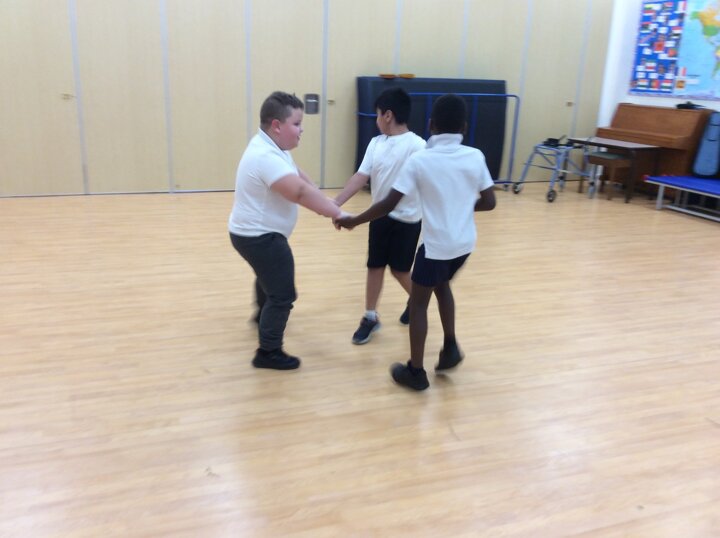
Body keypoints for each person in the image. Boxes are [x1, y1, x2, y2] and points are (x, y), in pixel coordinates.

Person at [335, 94, 497, 390]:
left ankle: (416, 372)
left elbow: (388, 204)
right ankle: (450, 346)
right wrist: (460, 205)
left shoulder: (421, 157)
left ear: (431, 124)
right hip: (464, 246)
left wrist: (354, 220)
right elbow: (489, 202)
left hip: (436, 247)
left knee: (419, 304)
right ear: (464, 126)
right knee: (442, 287)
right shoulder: (475, 156)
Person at [229, 91, 344, 371]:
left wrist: (324, 199)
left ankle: (262, 316)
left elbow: (298, 176)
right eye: (297, 123)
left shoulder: (273, 147)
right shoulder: (265, 156)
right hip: (260, 237)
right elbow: (299, 192)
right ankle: (268, 352)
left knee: (267, 274)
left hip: (250, 233)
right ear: (276, 125)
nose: (301, 129)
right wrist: (337, 213)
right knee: (283, 295)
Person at [334, 87, 426, 345]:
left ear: (388, 115)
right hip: (378, 216)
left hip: (407, 220)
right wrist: (336, 203)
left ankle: (418, 301)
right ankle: (370, 316)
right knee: (374, 266)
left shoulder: (418, 146)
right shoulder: (376, 144)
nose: (376, 120)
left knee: (399, 270)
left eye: (377, 115)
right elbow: (360, 176)